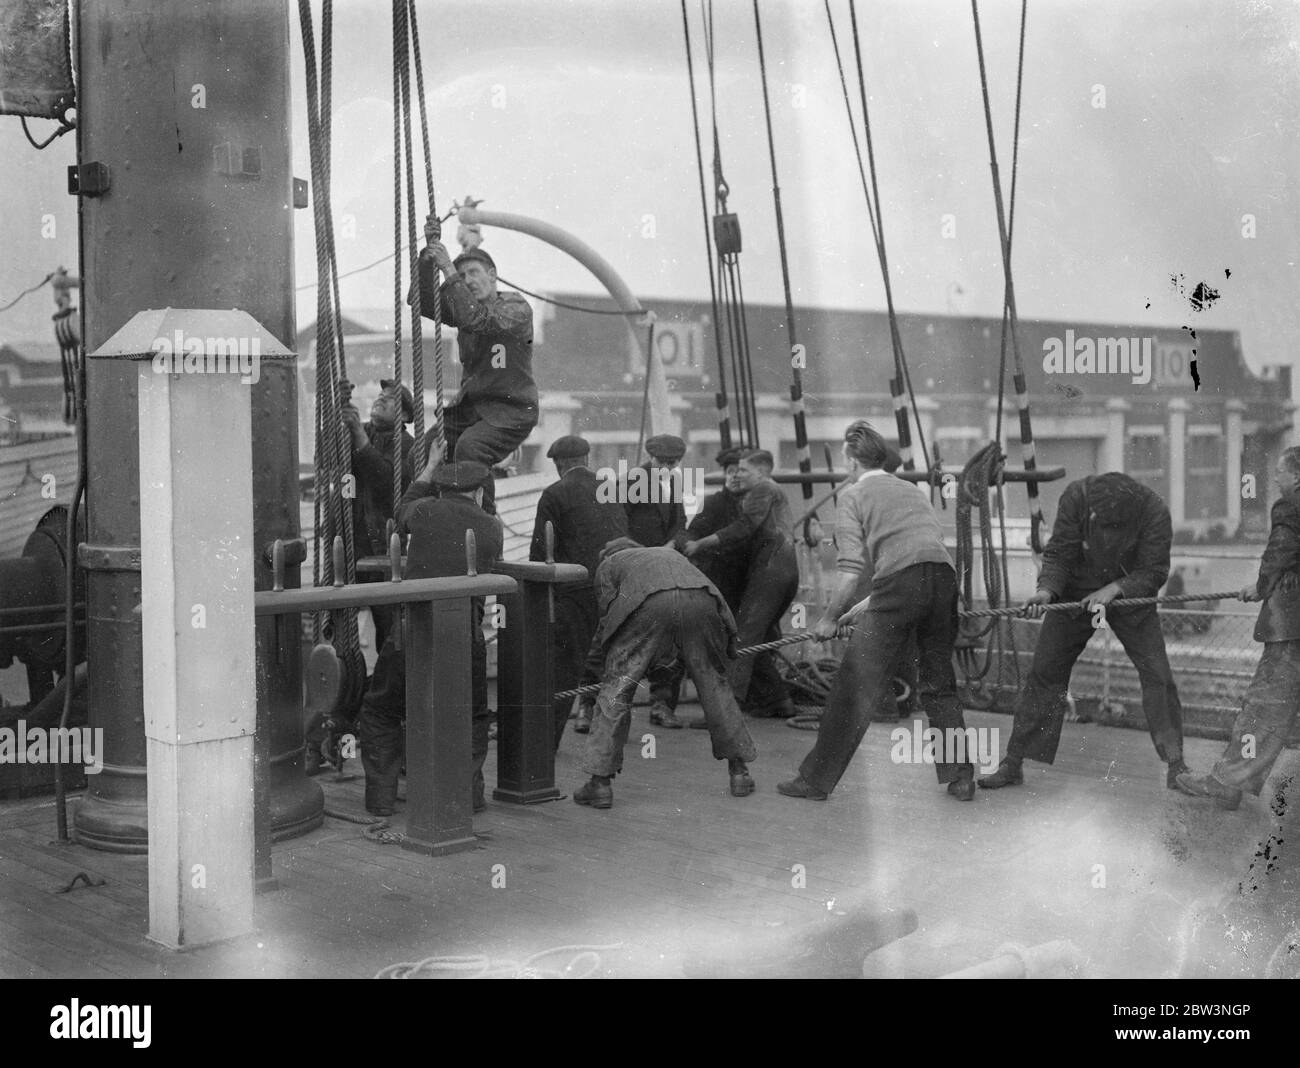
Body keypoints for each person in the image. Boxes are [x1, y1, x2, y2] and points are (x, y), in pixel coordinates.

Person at [777, 420, 976, 802]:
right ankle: (961, 777)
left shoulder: (852, 496)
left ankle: (815, 781)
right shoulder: (912, 491)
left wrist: (829, 618)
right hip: (942, 580)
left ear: (852, 461)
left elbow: (852, 571)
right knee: (939, 683)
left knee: (852, 686)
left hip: (901, 587)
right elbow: (918, 559)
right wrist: (866, 606)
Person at [979, 471, 1188, 791]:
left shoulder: (1154, 511)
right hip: (1076, 593)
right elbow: (1060, 552)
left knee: (1158, 675)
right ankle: (1014, 761)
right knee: (1044, 671)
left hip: (1130, 596)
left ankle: (1177, 764)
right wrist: (1046, 590)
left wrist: (1116, 588)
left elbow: (1154, 571)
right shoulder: (1076, 496)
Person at [356, 453, 503, 817]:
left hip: (412, 626)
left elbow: (402, 507)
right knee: (471, 714)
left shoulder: (422, 511)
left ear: (442, 490)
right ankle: (468, 795)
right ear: (481, 493)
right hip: (465, 630)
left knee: (381, 708)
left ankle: (380, 797)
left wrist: (427, 467)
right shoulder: (491, 526)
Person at [574, 538, 758, 809]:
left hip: (648, 604)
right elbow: (714, 595)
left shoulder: (608, 565)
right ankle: (740, 772)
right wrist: (730, 641)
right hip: (702, 600)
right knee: (715, 685)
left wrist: (612, 669)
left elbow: (607, 627)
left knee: (617, 689)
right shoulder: (668, 555)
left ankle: (599, 783)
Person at [1177, 448, 1300, 809]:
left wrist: (1260, 587)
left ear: (1297, 476)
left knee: (1266, 705)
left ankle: (1228, 782)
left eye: (1280, 472)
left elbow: (1279, 551)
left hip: (1292, 625)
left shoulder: (1290, 505)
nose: (1275, 479)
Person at [415, 225, 537, 516]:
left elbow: (479, 321)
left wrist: (448, 267)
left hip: (511, 411)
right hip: (474, 409)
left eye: (474, 273)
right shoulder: (464, 307)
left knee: (471, 449)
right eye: (463, 275)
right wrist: (427, 256)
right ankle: (436, 521)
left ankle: (485, 523)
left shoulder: (516, 308)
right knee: (423, 451)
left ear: (493, 276)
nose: (468, 281)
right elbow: (422, 302)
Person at [530, 434, 629, 749]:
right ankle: (611, 739)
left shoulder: (554, 494)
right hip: (615, 588)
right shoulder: (610, 489)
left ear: (559, 463)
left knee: (565, 668)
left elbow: (539, 554)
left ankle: (546, 743)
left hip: (575, 592)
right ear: (587, 459)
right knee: (615, 665)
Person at [685, 448, 798, 719]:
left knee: (744, 637)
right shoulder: (768, 491)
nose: (738, 474)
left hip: (771, 571)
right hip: (782, 570)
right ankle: (777, 700)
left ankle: (725, 712)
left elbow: (744, 527)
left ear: (760, 472)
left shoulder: (762, 489)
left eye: (744, 470)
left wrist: (700, 544)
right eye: (733, 470)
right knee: (756, 637)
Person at [342, 378, 417, 651]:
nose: (381, 399)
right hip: (350, 541)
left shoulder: (408, 447)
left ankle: (388, 683)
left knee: (388, 627)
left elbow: (385, 481)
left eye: (391, 398)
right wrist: (341, 410)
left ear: (406, 415)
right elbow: (328, 457)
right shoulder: (359, 431)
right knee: (341, 622)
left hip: (383, 546)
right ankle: (351, 683)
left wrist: (358, 437)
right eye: (380, 395)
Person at [622, 434, 691, 727]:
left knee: (669, 635)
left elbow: (680, 523)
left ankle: (662, 704)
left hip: (665, 568)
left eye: (672, 463)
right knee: (626, 636)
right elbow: (618, 525)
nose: (666, 467)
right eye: (661, 462)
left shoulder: (674, 483)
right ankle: (606, 706)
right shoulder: (631, 482)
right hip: (636, 568)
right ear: (651, 458)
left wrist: (674, 543)